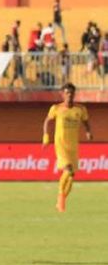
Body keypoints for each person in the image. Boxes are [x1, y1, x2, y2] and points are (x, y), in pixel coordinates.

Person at [43, 83, 92, 212]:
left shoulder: (80, 110)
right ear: (63, 94)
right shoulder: (56, 108)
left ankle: (62, 199)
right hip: (61, 145)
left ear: (74, 94)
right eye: (67, 93)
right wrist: (46, 136)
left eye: (71, 93)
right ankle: (60, 200)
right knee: (68, 170)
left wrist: (88, 132)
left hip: (73, 147)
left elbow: (86, 122)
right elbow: (47, 121)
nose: (69, 95)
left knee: (71, 176)